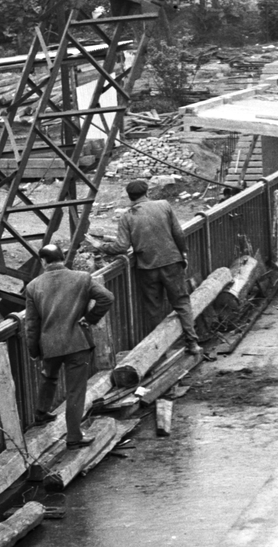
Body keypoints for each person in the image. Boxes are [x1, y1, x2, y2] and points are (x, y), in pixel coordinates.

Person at [25, 243, 114, 449]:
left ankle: (41, 413)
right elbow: (107, 298)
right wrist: (89, 319)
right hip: (77, 343)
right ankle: (74, 436)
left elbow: (32, 324)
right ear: (63, 258)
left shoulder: (33, 286)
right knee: (75, 390)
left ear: (43, 261)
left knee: (49, 377)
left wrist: (34, 350)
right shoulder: (82, 278)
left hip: (49, 344)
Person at [116, 180, 200, 353]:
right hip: (171, 262)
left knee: (154, 310)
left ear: (130, 197)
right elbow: (178, 233)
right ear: (147, 192)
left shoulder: (127, 216)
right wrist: (183, 253)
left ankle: (161, 352)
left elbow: (121, 246)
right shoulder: (164, 205)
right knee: (182, 302)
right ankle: (192, 343)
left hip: (147, 268)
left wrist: (100, 246)